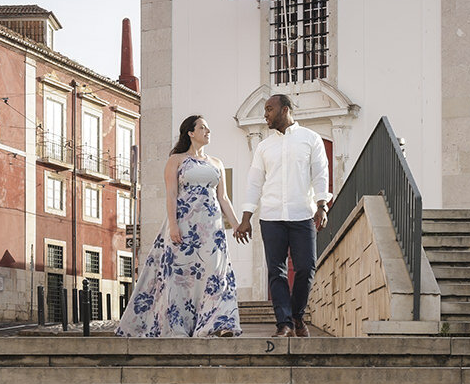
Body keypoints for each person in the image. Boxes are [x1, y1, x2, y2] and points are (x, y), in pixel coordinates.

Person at [116, 115, 242, 337]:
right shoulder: (176, 160)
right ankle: (177, 325)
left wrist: (237, 225)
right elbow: (172, 194)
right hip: (184, 226)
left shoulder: (217, 163)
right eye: (202, 127)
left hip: (212, 230)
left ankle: (217, 324)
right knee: (180, 276)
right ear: (190, 133)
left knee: (215, 274)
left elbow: (223, 198)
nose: (208, 131)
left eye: (208, 127)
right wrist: (173, 226)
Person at [233, 92, 331, 338]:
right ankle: (284, 323)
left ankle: (297, 315)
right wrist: (246, 217)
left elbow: (320, 173)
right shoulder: (264, 146)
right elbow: (255, 182)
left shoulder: (311, 139)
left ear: (285, 110)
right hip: (271, 215)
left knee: (306, 267)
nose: (265, 114)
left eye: (269, 109)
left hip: (303, 214)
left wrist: (322, 205)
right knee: (275, 271)